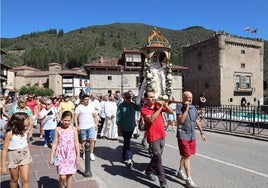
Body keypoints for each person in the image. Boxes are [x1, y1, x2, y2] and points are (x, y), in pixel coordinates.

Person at [140, 91, 173, 188]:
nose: (153, 98)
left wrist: (165, 105)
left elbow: (171, 112)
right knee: (158, 159)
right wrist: (159, 109)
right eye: (150, 97)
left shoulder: (156, 105)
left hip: (162, 134)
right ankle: (163, 182)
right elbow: (150, 119)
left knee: (156, 157)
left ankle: (148, 171)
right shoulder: (144, 109)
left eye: (154, 97)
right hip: (153, 137)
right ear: (146, 99)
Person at [176, 91, 206, 188]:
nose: (190, 99)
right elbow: (181, 120)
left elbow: (196, 120)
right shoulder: (179, 107)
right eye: (188, 97)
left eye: (191, 97)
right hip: (183, 134)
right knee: (187, 155)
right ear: (183, 98)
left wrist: (202, 132)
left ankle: (180, 171)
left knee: (187, 155)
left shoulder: (193, 108)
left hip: (192, 135)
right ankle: (189, 179)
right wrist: (186, 109)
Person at [1, 112, 32, 188]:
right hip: (13, 156)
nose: (29, 121)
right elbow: (4, 150)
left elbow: (27, 142)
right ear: (20, 121)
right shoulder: (10, 134)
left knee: (25, 179)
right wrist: (3, 165)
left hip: (24, 155)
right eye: (27, 119)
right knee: (14, 179)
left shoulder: (26, 130)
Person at [50, 110, 80, 188]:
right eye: (65, 120)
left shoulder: (74, 129)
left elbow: (77, 142)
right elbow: (55, 143)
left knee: (69, 175)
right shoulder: (58, 129)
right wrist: (51, 157)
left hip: (71, 154)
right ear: (61, 119)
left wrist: (78, 156)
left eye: (69, 120)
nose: (66, 122)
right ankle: (62, 185)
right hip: (60, 154)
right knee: (62, 176)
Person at [116, 92, 140, 168]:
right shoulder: (121, 106)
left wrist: (137, 101)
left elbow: (139, 108)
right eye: (127, 97)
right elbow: (118, 117)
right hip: (124, 127)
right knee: (127, 142)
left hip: (131, 126)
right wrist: (119, 128)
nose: (129, 99)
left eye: (130, 97)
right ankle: (128, 158)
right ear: (124, 98)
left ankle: (124, 154)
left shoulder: (133, 105)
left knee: (127, 141)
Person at [74, 94, 99, 161]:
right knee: (83, 140)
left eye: (88, 99)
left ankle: (91, 153)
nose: (87, 101)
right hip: (82, 127)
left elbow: (95, 116)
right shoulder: (79, 107)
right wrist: (77, 125)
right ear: (82, 100)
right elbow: (75, 117)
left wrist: (96, 124)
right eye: (85, 99)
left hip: (91, 126)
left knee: (92, 140)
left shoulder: (91, 107)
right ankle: (85, 152)